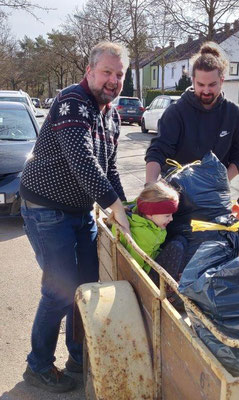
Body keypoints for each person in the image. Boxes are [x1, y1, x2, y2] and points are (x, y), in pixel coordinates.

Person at [20, 41, 131, 393]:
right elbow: (82, 160)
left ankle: (79, 358)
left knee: (86, 288)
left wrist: (124, 209)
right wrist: (112, 206)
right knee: (60, 291)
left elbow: (109, 167)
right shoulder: (72, 102)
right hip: (45, 209)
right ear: (90, 72)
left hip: (80, 210)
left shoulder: (111, 114)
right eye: (107, 72)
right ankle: (37, 366)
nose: (113, 80)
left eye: (119, 74)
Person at [145, 41, 239, 184]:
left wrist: (220, 182)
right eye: (201, 85)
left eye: (212, 85)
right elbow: (158, 151)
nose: (206, 91)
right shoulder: (176, 112)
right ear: (193, 81)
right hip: (177, 193)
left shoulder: (234, 114)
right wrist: (150, 184)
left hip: (215, 193)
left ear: (222, 80)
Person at [111, 180, 180, 275]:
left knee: (179, 241)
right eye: (167, 216)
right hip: (144, 274)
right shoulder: (145, 235)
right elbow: (135, 265)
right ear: (150, 214)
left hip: (149, 261)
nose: (171, 219)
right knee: (177, 247)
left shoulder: (142, 215)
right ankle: (169, 287)